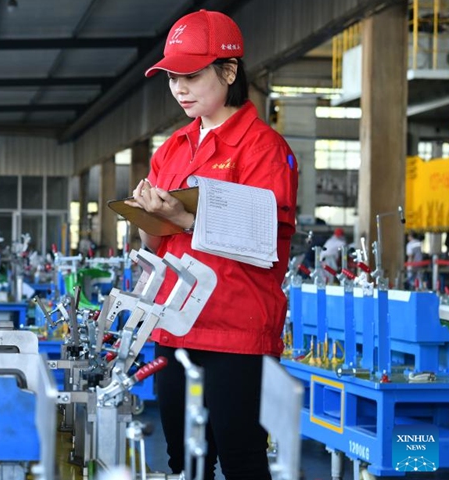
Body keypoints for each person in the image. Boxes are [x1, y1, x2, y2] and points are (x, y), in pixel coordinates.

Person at [128, 10, 298, 480]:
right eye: (171, 78)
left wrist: (181, 215)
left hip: (235, 329)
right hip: (174, 325)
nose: (179, 88)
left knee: (241, 456)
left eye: (191, 76)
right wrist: (147, 216)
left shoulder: (264, 149)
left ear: (228, 71)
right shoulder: (171, 150)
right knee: (185, 460)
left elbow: (263, 239)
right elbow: (156, 244)